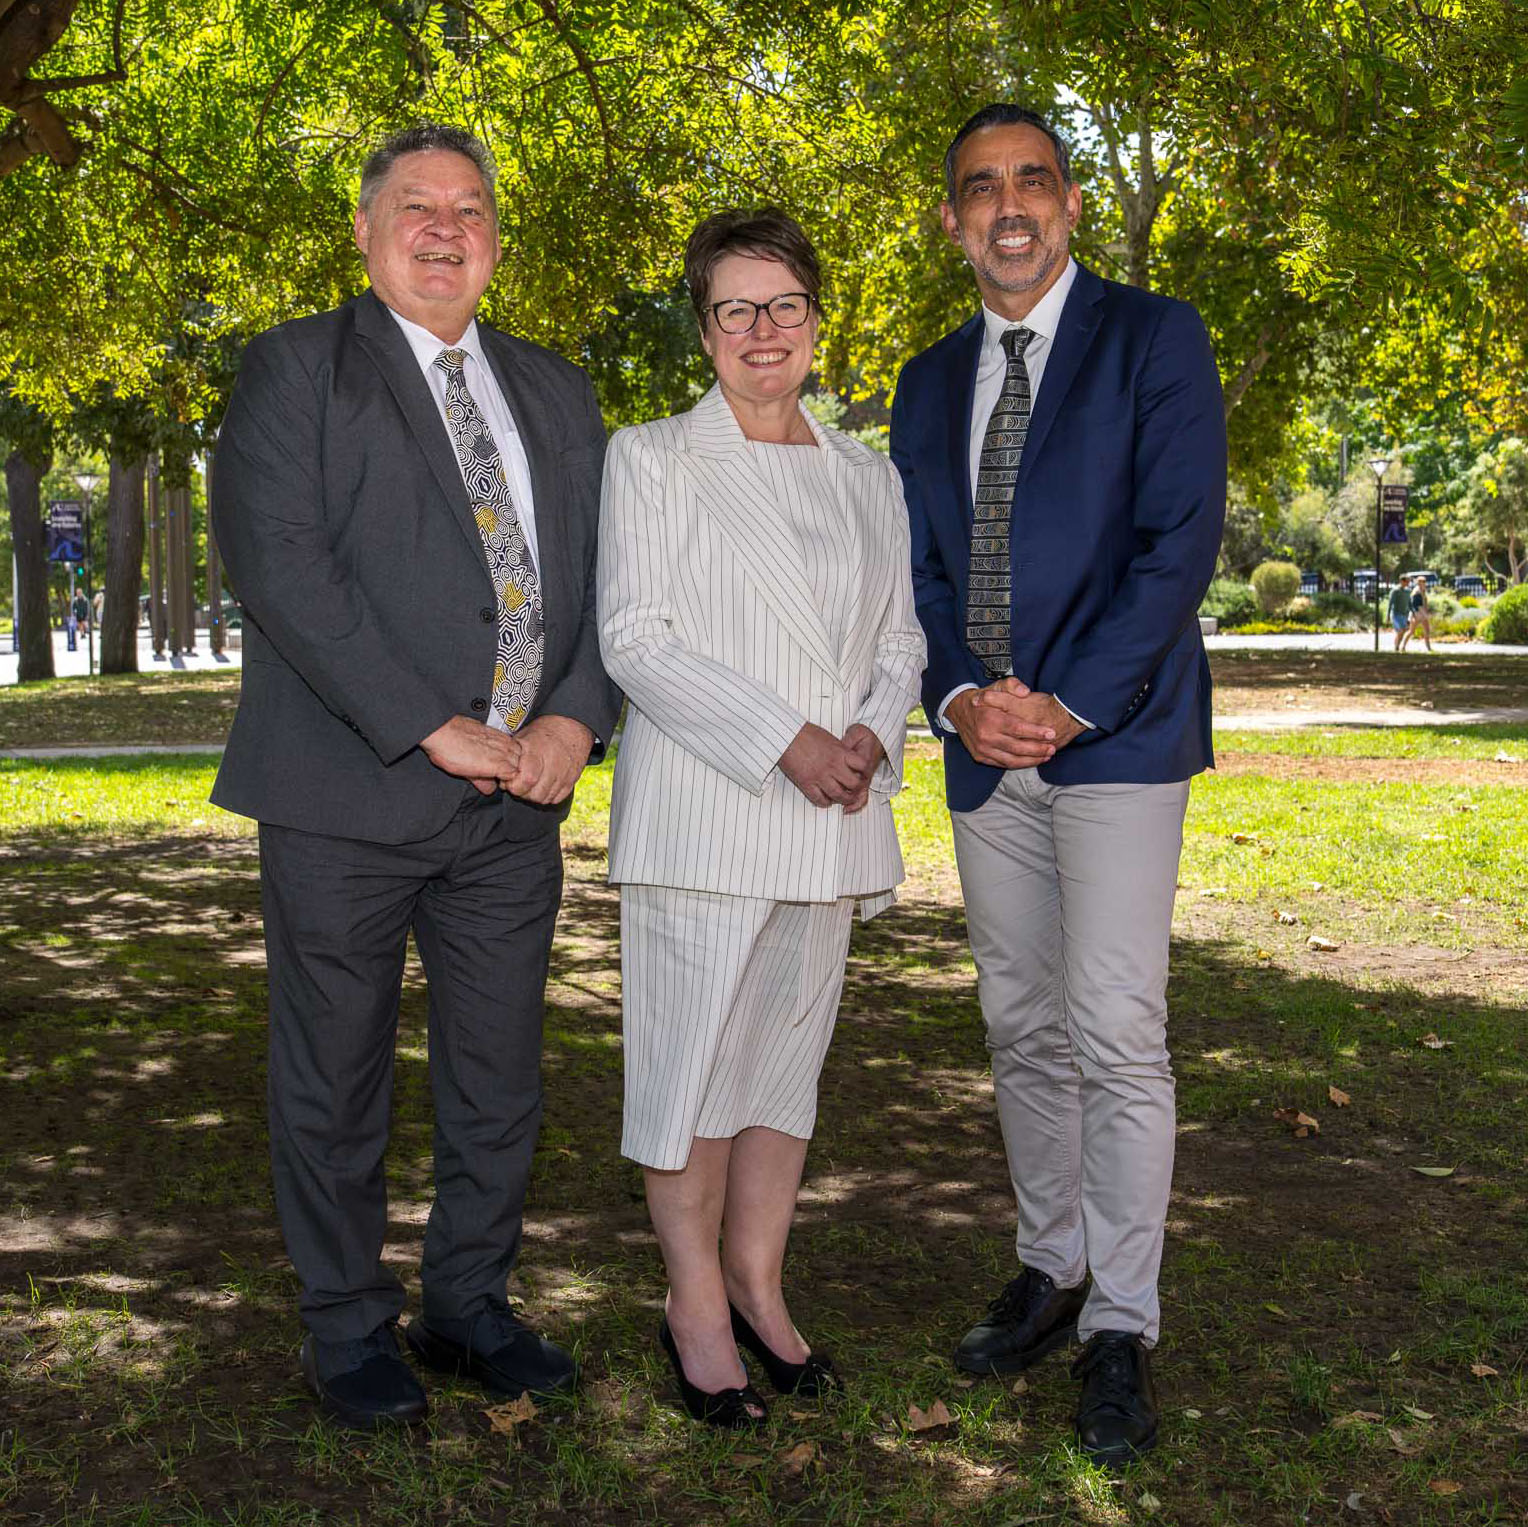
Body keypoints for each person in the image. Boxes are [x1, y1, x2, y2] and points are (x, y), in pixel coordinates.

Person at [210, 124, 620, 1431]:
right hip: (345, 796)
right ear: (365, 229)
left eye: (471, 209)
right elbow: (280, 564)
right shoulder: (295, 369)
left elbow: (613, 578)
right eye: (417, 207)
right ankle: (346, 1324)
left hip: (514, 810)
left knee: (499, 1077)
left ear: (496, 238)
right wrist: (428, 722)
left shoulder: (556, 389)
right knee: (334, 1078)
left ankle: (468, 1303)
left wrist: (576, 717)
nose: (447, 230)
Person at [890, 104, 1226, 1465]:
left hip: (1117, 739)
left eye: (1032, 179)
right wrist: (962, 700)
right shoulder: (924, 381)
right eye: (982, 187)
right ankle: (1053, 1264)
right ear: (953, 219)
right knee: (1021, 1020)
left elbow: (1176, 542)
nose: (1009, 205)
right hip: (983, 750)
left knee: (1115, 1024)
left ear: (1071, 203)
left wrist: (1065, 702)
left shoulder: (1156, 339)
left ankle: (1122, 1326)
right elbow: (915, 569)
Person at [598, 209, 925, 1428]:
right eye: (734, 308)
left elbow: (900, 637)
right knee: (689, 1080)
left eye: (784, 304)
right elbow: (634, 639)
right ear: (703, 330)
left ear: (817, 320)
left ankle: (758, 1287)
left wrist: (869, 734)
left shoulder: (867, 474)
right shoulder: (650, 458)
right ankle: (693, 1308)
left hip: (831, 822)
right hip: (709, 812)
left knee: (782, 1080)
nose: (762, 329)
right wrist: (787, 741)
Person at [1407, 575, 1433, 651]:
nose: (1424, 583)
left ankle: (1428, 648)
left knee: (1427, 630)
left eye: (1425, 581)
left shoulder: (1423, 590)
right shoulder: (1416, 592)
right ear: (1419, 582)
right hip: (1417, 614)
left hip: (1423, 614)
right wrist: (1421, 614)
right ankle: (1402, 646)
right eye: (1422, 581)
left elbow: (1425, 603)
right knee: (1411, 631)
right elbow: (1416, 605)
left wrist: (1426, 612)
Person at [1388, 579, 1412, 650]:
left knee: (1403, 631)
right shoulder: (1395, 591)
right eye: (1406, 581)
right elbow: (1390, 603)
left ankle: (1397, 645)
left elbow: (1409, 603)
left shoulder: (1408, 591)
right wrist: (1388, 615)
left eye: (1408, 581)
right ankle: (1397, 646)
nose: (1408, 583)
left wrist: (1412, 612)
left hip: (1404, 614)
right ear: (1401, 581)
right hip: (1396, 614)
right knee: (1400, 630)